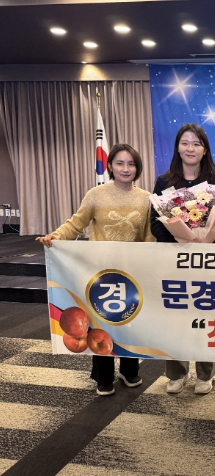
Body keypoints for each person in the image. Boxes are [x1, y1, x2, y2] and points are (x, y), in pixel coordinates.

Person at [37, 144, 155, 396]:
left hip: (132, 271)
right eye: (120, 163)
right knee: (101, 322)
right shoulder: (96, 194)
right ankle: (104, 377)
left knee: (131, 321)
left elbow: (148, 236)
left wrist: (149, 264)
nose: (126, 169)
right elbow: (76, 224)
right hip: (100, 271)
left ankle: (129, 370)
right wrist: (56, 236)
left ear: (138, 168)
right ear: (110, 166)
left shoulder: (146, 198)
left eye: (131, 164)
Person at [151, 123, 215, 395]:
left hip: (204, 262)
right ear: (177, 148)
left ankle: (205, 374)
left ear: (204, 149)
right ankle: (176, 373)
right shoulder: (164, 182)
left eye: (196, 143)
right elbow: (155, 224)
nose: (190, 148)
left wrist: (202, 240)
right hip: (173, 260)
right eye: (185, 143)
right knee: (175, 317)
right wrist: (183, 238)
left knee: (204, 316)